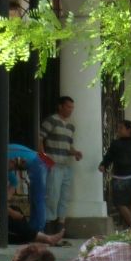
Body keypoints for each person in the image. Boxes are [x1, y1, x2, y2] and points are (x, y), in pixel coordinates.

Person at [0, 150, 62, 246]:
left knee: (16, 211)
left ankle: (34, 236)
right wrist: (12, 214)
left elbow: (4, 199)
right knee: (12, 218)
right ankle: (46, 238)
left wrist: (13, 210)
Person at [39, 96, 83, 236]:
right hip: (54, 164)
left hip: (65, 165)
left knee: (64, 198)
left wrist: (75, 152)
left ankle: (60, 228)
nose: (70, 110)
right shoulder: (51, 120)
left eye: (72, 107)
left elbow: (67, 146)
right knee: (52, 196)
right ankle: (48, 228)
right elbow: (40, 138)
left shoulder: (70, 126)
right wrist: (43, 157)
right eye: (68, 107)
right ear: (60, 106)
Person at [98, 119, 131, 231]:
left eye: (121, 128)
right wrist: (103, 165)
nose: (118, 130)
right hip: (119, 178)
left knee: (129, 203)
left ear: (129, 129)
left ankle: (130, 226)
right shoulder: (115, 143)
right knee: (120, 203)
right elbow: (109, 156)